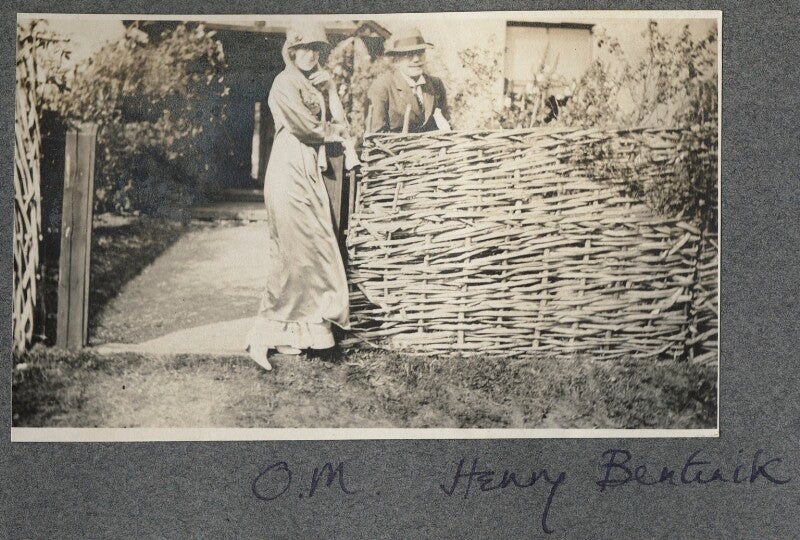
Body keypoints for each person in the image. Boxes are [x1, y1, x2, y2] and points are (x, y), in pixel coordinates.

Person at [246, 23, 352, 371]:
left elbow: (340, 121)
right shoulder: (284, 83)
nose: (310, 55)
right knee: (291, 255)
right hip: (289, 168)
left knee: (310, 254)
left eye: (316, 49)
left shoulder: (312, 84)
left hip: (308, 170)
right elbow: (307, 128)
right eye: (303, 48)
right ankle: (261, 336)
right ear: (290, 51)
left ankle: (294, 333)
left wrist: (332, 89)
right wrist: (337, 131)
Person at [367, 26, 450, 133]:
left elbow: (445, 124)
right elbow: (377, 134)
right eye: (408, 54)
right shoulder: (383, 86)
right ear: (396, 60)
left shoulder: (435, 84)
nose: (416, 59)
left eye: (420, 52)